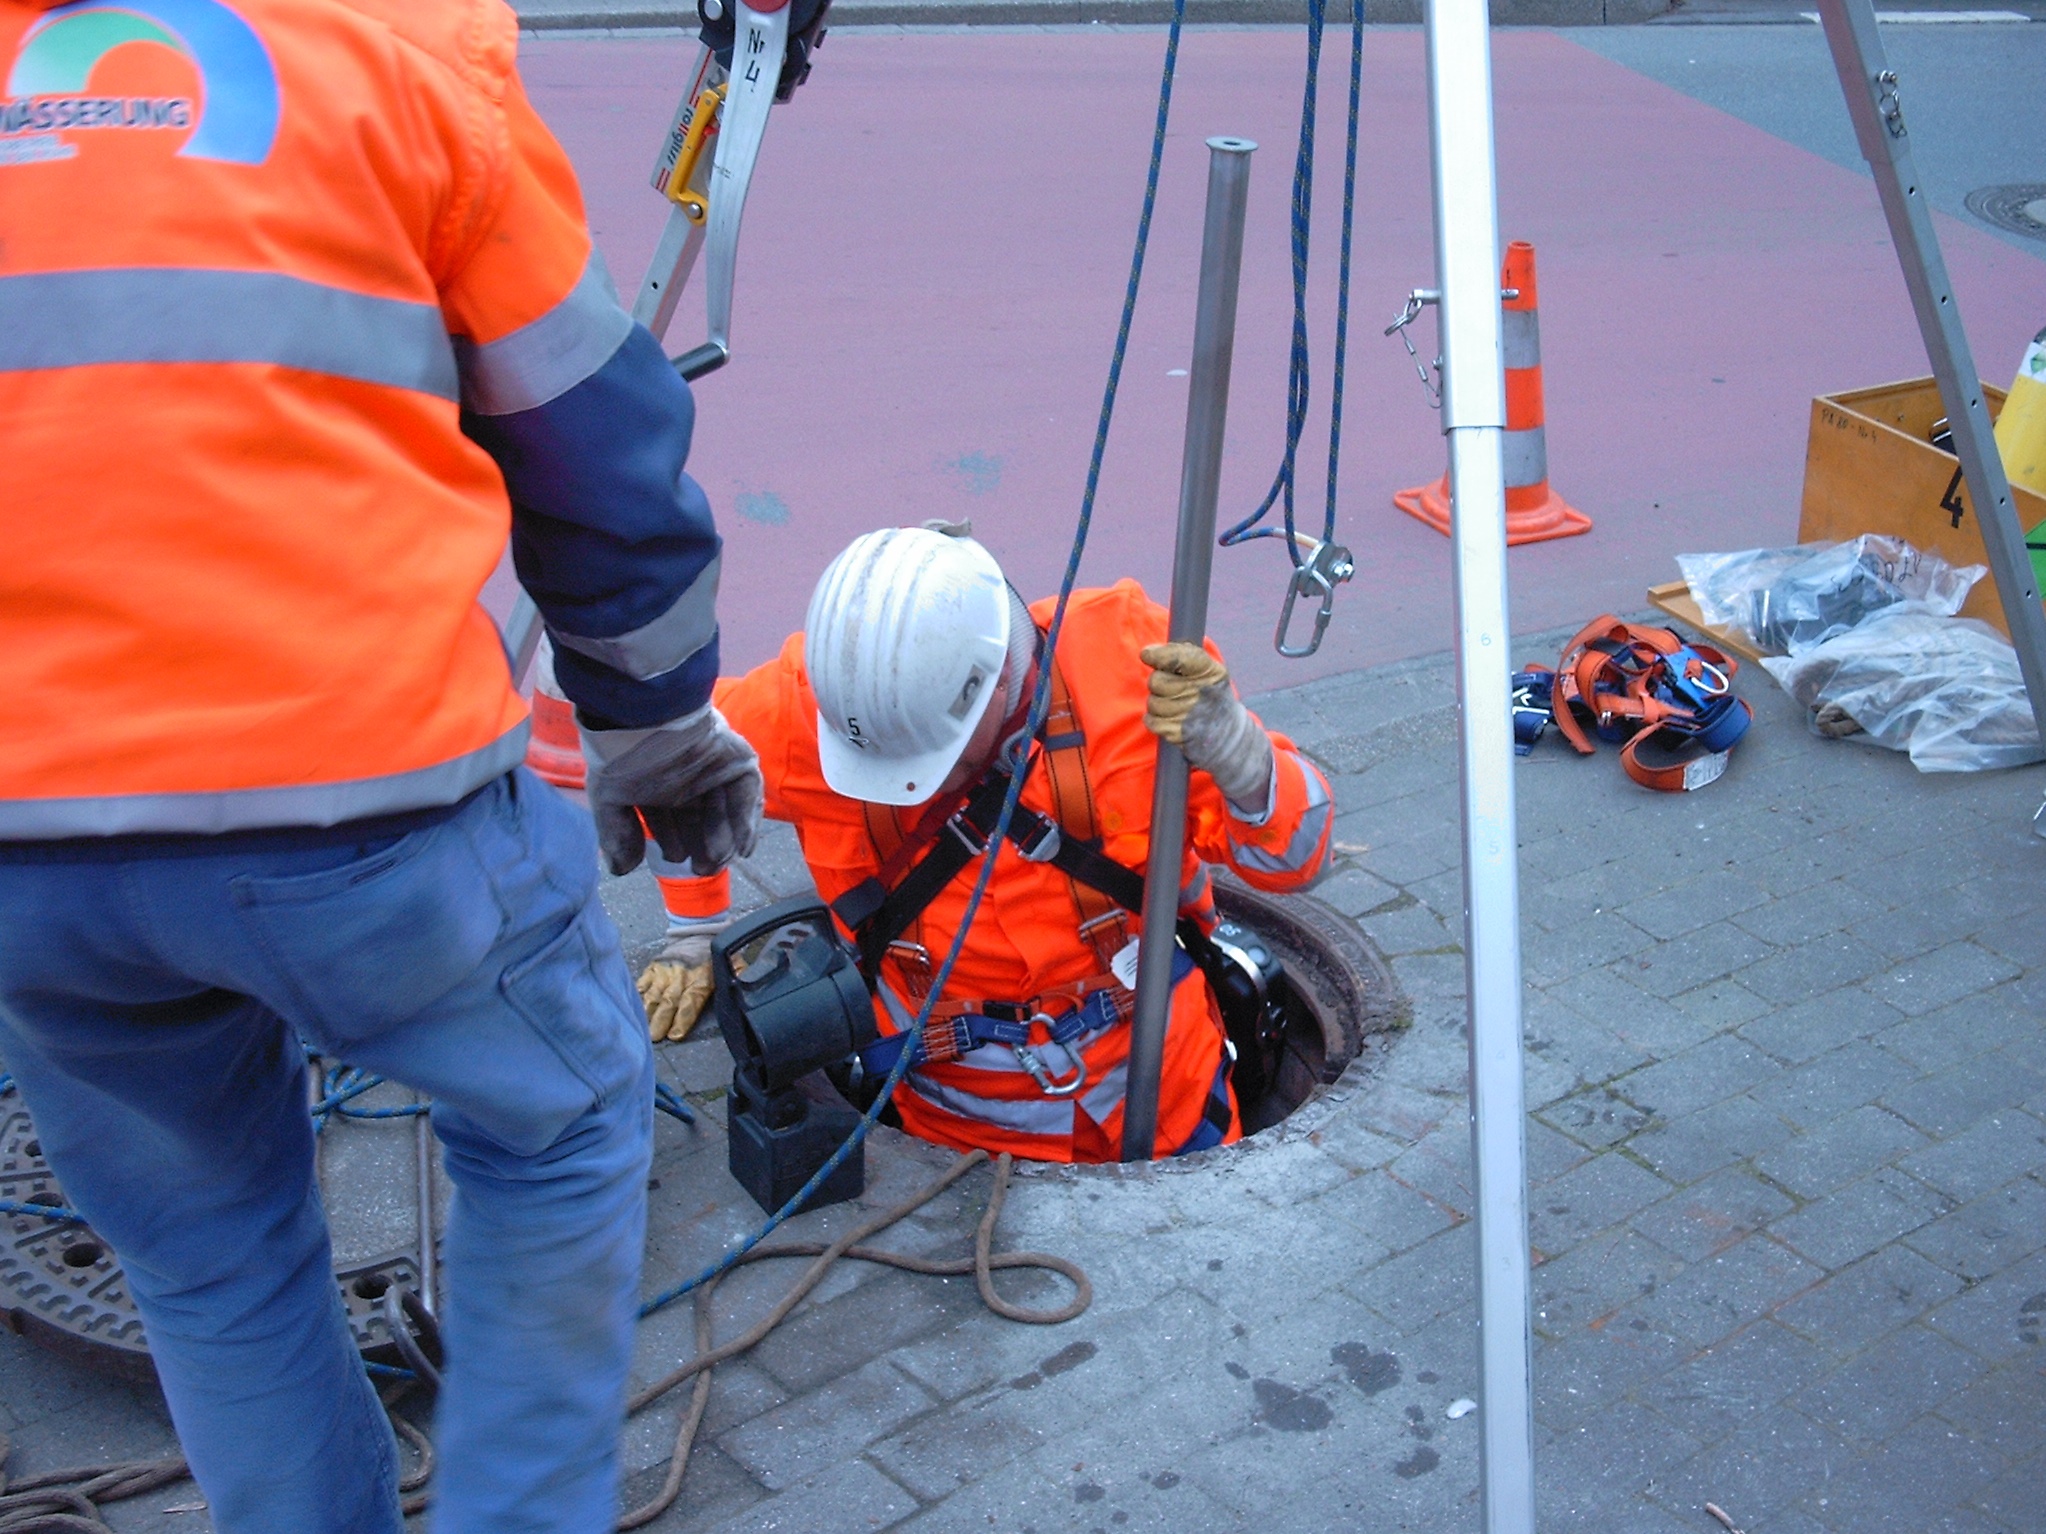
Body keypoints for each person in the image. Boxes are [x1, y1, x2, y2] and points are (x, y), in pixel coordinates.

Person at [0, 0, 762, 1529]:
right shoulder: (400, 55)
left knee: (212, 1259)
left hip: (28, 852)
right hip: (365, 811)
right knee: (557, 1135)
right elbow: (593, 436)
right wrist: (651, 722)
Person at [640, 524, 1334, 1161]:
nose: (903, 783)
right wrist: (695, 929)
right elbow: (665, 768)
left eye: (921, 760)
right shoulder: (810, 705)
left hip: (1167, 1094)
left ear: (999, 678)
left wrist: (1248, 765)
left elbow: (1296, 859)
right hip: (948, 1131)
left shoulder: (1132, 663)